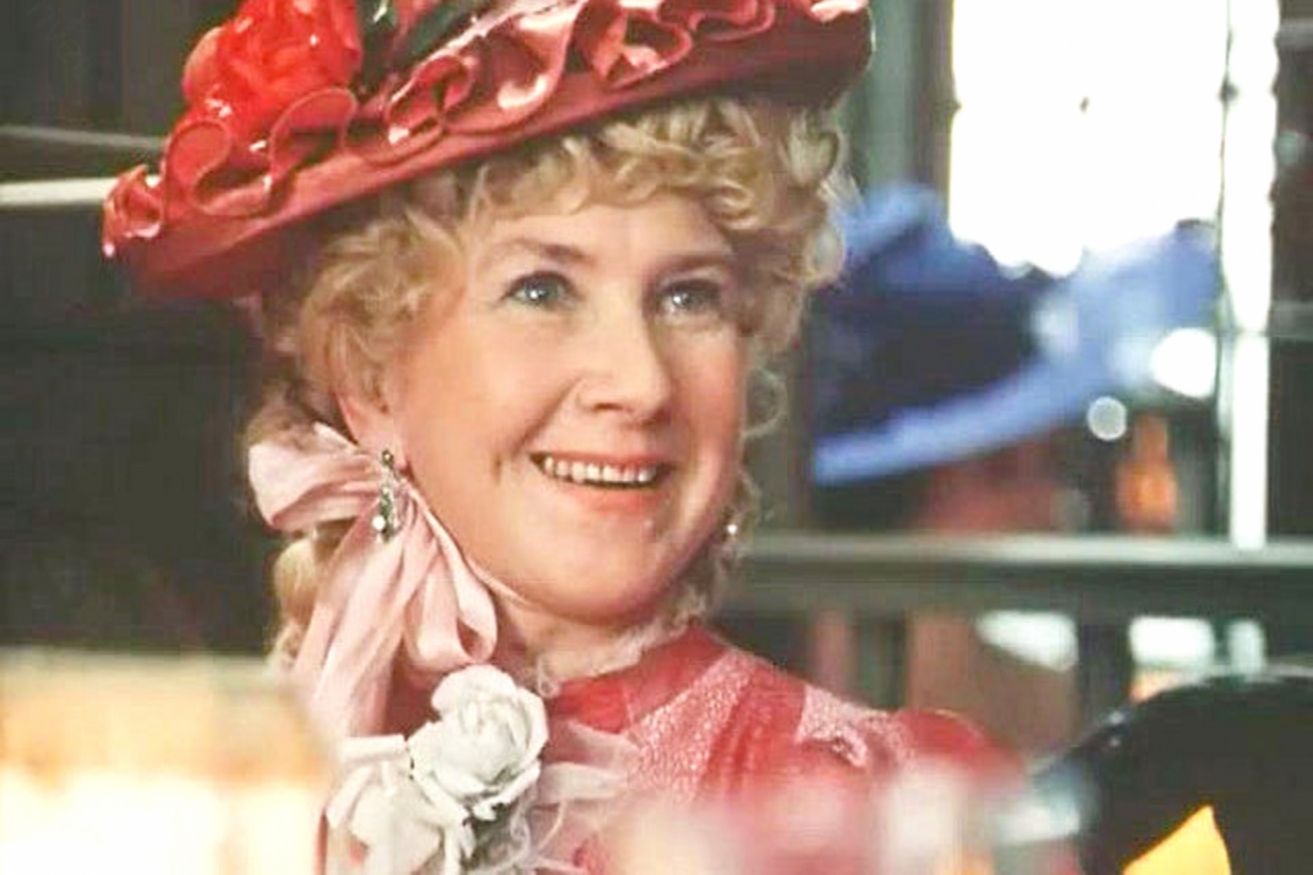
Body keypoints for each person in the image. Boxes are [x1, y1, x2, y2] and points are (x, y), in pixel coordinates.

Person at [102, 0, 1008, 870]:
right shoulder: (179, 807)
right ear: (369, 374)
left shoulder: (891, 815)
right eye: (542, 290)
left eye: (687, 295)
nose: (640, 382)